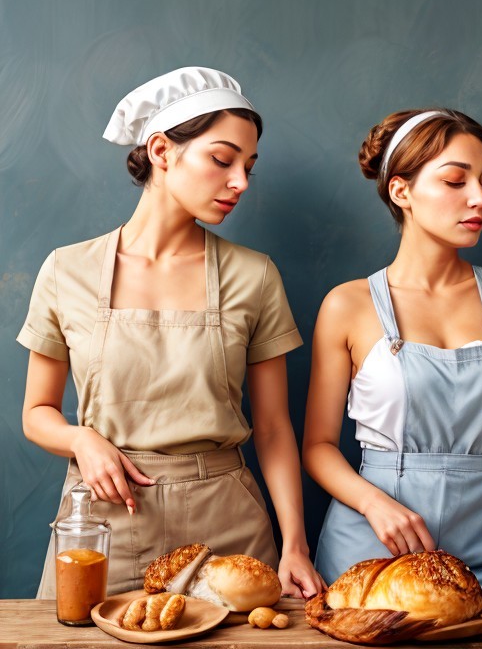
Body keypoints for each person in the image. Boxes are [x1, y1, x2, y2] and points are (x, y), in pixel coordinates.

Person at [19, 67, 323, 598]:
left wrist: (294, 544)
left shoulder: (253, 275)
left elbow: (274, 428)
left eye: (249, 167)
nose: (240, 182)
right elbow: (36, 412)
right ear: (161, 151)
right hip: (103, 523)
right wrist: (80, 439)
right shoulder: (67, 270)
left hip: (228, 526)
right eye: (222, 160)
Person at [304, 109, 482, 591]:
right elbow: (318, 447)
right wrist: (374, 504)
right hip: (373, 545)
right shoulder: (348, 305)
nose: (479, 198)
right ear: (400, 191)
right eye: (455, 181)